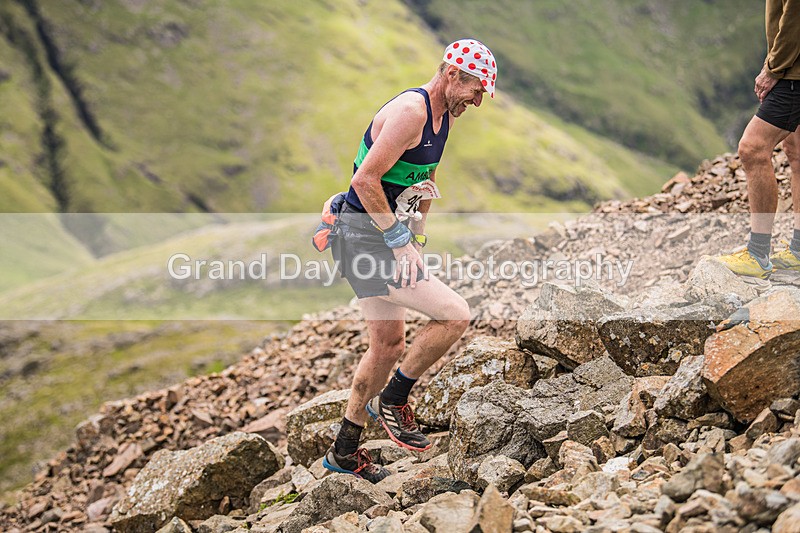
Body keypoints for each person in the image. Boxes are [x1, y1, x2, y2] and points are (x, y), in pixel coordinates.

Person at [320, 39, 497, 482]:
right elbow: (365, 179)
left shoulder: (442, 117)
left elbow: (425, 179)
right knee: (456, 315)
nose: (478, 100)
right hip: (365, 240)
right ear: (452, 74)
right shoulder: (413, 112)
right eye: (476, 90)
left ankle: (343, 452)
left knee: (387, 346)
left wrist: (417, 236)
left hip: (376, 236)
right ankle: (394, 399)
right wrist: (399, 241)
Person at [715, 0, 800, 278]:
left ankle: (758, 254)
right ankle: (799, 251)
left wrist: (773, 68)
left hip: (793, 73)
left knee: (752, 148)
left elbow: (795, 14)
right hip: (792, 67)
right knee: (796, 151)